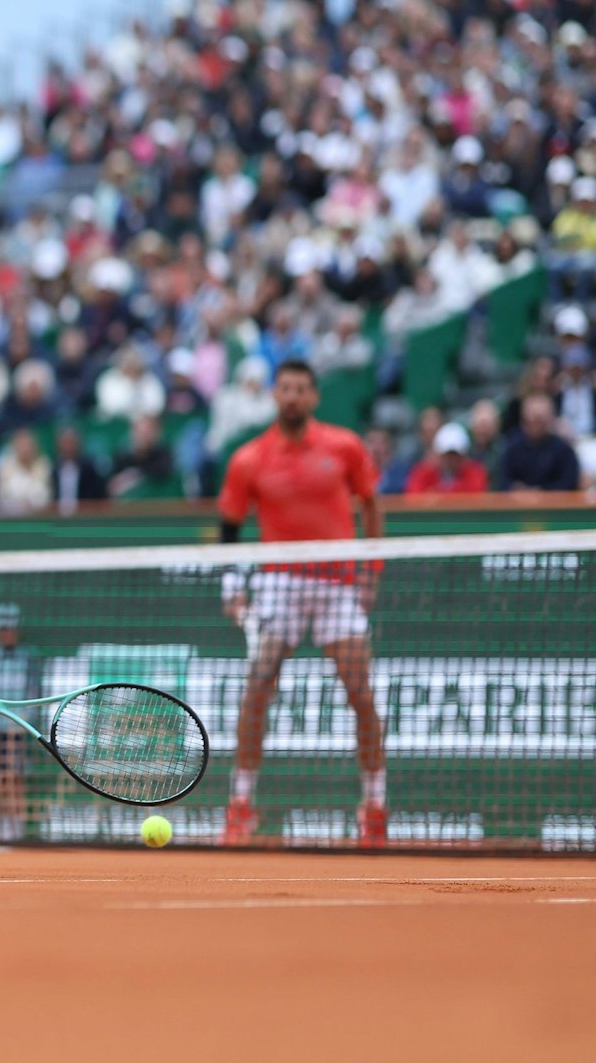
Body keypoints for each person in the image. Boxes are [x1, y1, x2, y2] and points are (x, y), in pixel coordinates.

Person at [216, 360, 387, 848]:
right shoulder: (249, 458)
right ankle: (241, 804)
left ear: (313, 397)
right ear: (275, 395)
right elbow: (229, 526)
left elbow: (371, 504)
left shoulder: (345, 446)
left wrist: (371, 572)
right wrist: (233, 588)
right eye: (285, 388)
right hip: (280, 583)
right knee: (257, 686)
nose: (292, 397)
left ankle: (374, 806)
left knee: (361, 693)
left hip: (338, 582)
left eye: (301, 389)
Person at [0, 603, 41, 843]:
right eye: (2, 628)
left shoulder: (28, 657)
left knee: (16, 774)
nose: (6, 632)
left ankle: (17, 825)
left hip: (19, 726)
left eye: (10, 628)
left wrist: (23, 720)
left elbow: (34, 690)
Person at [498, 393, 581, 491]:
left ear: (550, 420)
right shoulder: (512, 448)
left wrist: (541, 492)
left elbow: (568, 483)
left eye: (540, 420)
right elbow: (504, 481)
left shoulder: (564, 450)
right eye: (531, 420)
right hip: (518, 504)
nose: (535, 425)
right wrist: (517, 489)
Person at [405, 424, 489, 494]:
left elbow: (477, 492)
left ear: (463, 456)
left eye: (455, 455)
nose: (450, 459)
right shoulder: (423, 472)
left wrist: (436, 494)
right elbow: (413, 495)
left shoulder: (475, 472)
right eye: (446, 455)